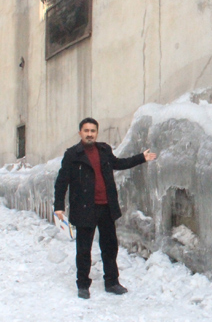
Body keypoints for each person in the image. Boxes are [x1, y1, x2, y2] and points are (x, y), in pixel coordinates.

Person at [54, 117, 157, 299]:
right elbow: (62, 182)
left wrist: (142, 158)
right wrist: (59, 206)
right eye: (86, 131)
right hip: (85, 208)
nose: (89, 134)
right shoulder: (72, 154)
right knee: (84, 249)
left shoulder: (104, 150)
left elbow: (119, 163)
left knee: (110, 247)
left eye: (92, 131)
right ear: (80, 133)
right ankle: (83, 285)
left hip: (106, 206)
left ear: (96, 133)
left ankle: (112, 282)